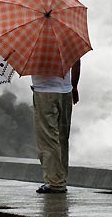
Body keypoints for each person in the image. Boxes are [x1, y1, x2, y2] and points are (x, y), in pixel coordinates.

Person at [31, 59, 81, 193]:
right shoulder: (66, 38)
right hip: (65, 91)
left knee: (48, 138)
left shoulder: (32, 39)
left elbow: (24, 62)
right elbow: (76, 61)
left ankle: (55, 182)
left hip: (44, 92)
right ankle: (61, 179)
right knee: (63, 138)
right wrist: (74, 86)